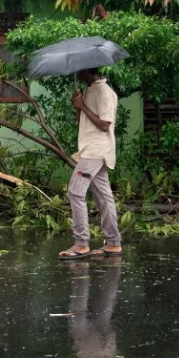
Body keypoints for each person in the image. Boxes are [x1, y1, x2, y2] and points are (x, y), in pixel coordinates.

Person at [60, 68, 123, 259]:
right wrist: (78, 105)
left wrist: (84, 106)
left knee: (75, 191)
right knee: (103, 197)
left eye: (79, 71)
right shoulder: (88, 91)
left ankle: (81, 244)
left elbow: (105, 124)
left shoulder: (105, 92)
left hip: (96, 151)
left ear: (88, 71)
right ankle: (113, 244)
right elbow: (82, 120)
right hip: (89, 150)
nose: (77, 74)